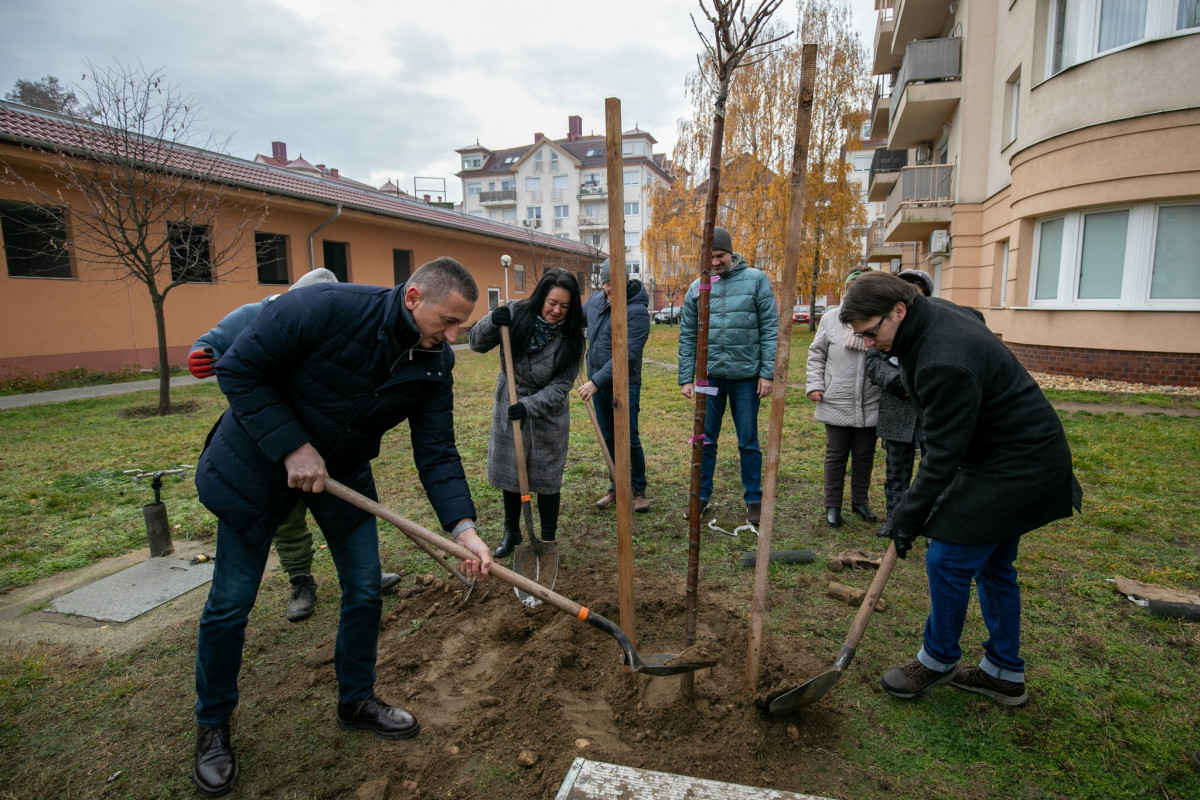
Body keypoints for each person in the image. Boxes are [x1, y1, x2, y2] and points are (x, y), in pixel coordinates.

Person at [190, 257, 493, 797]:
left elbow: (437, 451)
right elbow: (238, 369)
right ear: (413, 297)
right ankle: (213, 724)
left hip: (341, 472)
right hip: (255, 465)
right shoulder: (324, 307)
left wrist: (463, 527)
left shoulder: (434, 363)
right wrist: (291, 446)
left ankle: (356, 699)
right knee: (231, 603)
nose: (452, 338)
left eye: (461, 329)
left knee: (364, 588)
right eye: (446, 323)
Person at [840, 271, 1082, 707]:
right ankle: (1004, 673)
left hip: (1018, 464)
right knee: (992, 562)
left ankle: (937, 659)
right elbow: (975, 318)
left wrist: (905, 518)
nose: (870, 344)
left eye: (872, 333)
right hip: (1009, 452)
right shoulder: (932, 312)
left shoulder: (941, 360)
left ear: (899, 309)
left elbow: (941, 457)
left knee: (948, 558)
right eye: (862, 337)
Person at [187, 268, 400, 623]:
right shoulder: (255, 313)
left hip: (330, 443)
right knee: (287, 519)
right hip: (269, 442)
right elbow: (212, 343)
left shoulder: (347, 325)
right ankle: (300, 580)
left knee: (349, 515)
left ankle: (363, 576)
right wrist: (201, 353)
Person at [470, 268, 584, 558]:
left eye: (564, 306)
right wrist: (492, 321)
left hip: (547, 413)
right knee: (511, 471)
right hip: (510, 401)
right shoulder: (514, 313)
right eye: (552, 303)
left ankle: (546, 539)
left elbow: (561, 386)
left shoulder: (572, 338)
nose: (557, 310)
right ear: (541, 298)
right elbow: (476, 343)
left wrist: (530, 406)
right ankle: (512, 531)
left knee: (547, 478)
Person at [678, 226, 778, 525]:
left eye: (719, 256)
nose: (715, 262)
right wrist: (687, 377)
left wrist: (767, 373)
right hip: (709, 380)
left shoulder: (756, 280)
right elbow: (687, 335)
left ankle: (754, 500)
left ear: (730, 253)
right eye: (710, 257)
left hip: (746, 378)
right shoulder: (697, 287)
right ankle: (701, 496)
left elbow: (770, 328)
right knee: (705, 440)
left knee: (748, 439)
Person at [805, 269, 882, 527]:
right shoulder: (831, 319)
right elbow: (816, 355)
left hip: (871, 400)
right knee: (836, 454)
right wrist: (815, 384)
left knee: (864, 453)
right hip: (836, 399)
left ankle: (860, 500)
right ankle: (832, 505)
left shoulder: (879, 319)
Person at [864, 269, 934, 537]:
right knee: (896, 470)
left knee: (933, 470)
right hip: (897, 408)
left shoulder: (931, 326)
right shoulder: (884, 327)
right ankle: (895, 518)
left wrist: (916, 384)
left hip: (928, 412)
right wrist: (899, 382)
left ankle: (931, 524)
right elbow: (872, 364)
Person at [578, 259, 652, 513]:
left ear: (626, 281)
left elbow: (627, 355)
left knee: (628, 438)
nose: (609, 288)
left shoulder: (637, 312)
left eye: (614, 283)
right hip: (597, 383)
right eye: (606, 283)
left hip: (624, 385)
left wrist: (595, 382)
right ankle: (616, 485)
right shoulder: (597, 301)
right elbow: (576, 319)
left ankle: (638, 489)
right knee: (608, 436)